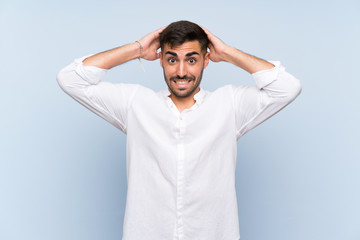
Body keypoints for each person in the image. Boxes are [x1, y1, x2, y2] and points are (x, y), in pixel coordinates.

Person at [56, 20, 301, 240]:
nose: (181, 72)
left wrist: (227, 53)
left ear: (206, 60)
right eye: (172, 59)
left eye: (191, 60)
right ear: (161, 59)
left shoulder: (229, 105)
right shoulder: (135, 103)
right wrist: (137, 49)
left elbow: (287, 88)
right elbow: (70, 79)